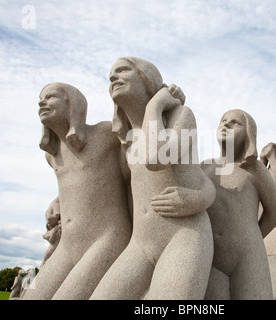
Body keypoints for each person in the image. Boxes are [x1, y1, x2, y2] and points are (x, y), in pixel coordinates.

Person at [90, 57, 215, 300]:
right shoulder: (125, 139)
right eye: (110, 75)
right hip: (140, 244)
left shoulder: (181, 116)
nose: (113, 77)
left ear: (147, 78)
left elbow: (156, 158)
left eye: (123, 70)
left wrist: (154, 107)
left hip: (184, 236)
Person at [22, 82, 132, 300]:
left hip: (106, 239)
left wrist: (170, 101)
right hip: (68, 244)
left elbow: (138, 137)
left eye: (50, 97)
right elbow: (81, 183)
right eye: (40, 98)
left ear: (71, 103)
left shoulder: (104, 134)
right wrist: (58, 200)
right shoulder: (52, 154)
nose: (41, 102)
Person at [201, 109, 276, 300]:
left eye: (235, 123)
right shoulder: (204, 167)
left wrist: (252, 237)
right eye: (223, 120)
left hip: (248, 256)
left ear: (248, 134)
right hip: (212, 257)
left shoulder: (254, 169)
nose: (226, 124)